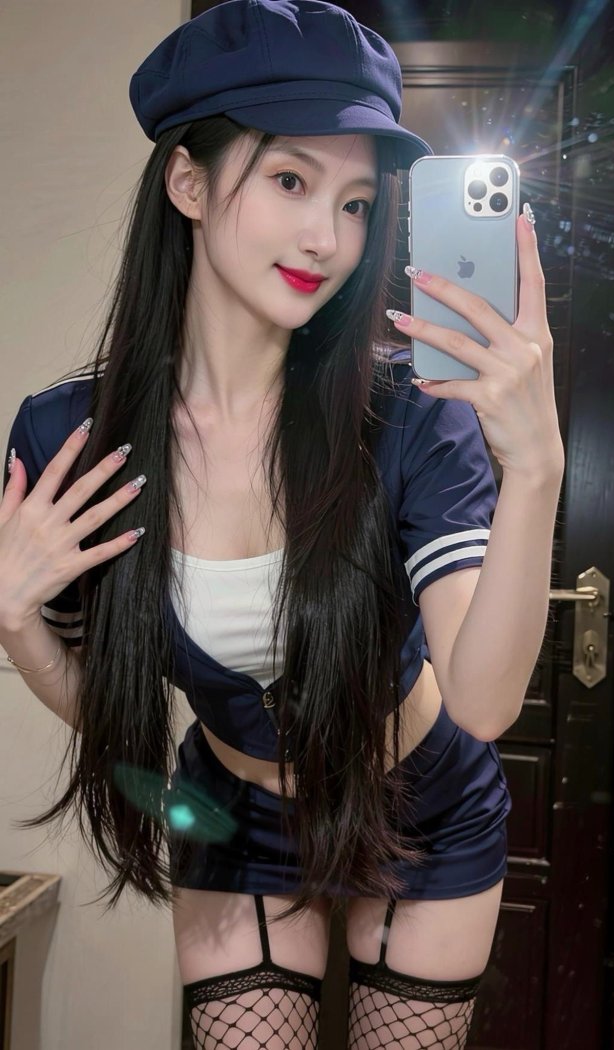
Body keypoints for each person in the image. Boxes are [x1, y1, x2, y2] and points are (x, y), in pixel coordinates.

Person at [0, 1, 564, 1046]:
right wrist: (16, 620)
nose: (328, 238)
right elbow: (108, 707)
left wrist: (534, 469)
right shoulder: (67, 434)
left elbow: (485, 703)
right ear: (188, 183)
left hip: (422, 803)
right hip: (228, 811)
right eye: (291, 182)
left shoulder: (410, 419)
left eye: (356, 203)